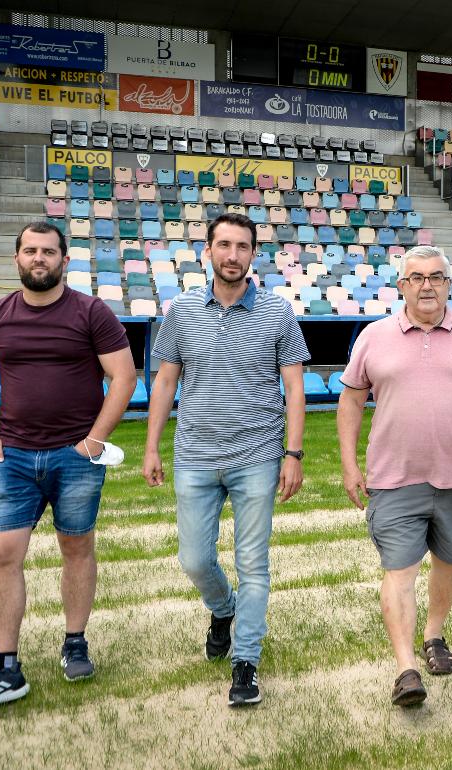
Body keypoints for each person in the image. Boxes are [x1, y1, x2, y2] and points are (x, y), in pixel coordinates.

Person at [0, 221, 136, 710]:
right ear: (17, 258)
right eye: (31, 251)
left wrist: (95, 440)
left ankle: (75, 641)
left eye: (49, 252)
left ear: (64, 260)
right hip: (10, 455)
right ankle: (5, 666)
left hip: (74, 456)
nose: (40, 259)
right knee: (2, 554)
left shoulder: (91, 312)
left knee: (76, 547)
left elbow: (123, 376)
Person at [336, 245, 452, 708]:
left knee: (451, 560)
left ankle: (434, 635)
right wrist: (349, 463)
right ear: (401, 286)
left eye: (436, 277)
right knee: (399, 569)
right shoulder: (374, 337)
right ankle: (406, 669)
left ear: (448, 285)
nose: (426, 285)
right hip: (394, 476)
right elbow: (352, 401)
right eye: (416, 277)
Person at [143, 213, 309, 707]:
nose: (232, 254)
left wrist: (293, 452)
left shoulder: (278, 313)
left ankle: (245, 663)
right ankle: (222, 609)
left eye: (242, 246)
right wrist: (151, 445)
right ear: (208, 252)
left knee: (253, 563)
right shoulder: (181, 311)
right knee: (194, 559)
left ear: (253, 255)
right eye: (223, 245)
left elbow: (295, 387)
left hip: (257, 455)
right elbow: (166, 381)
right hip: (194, 455)